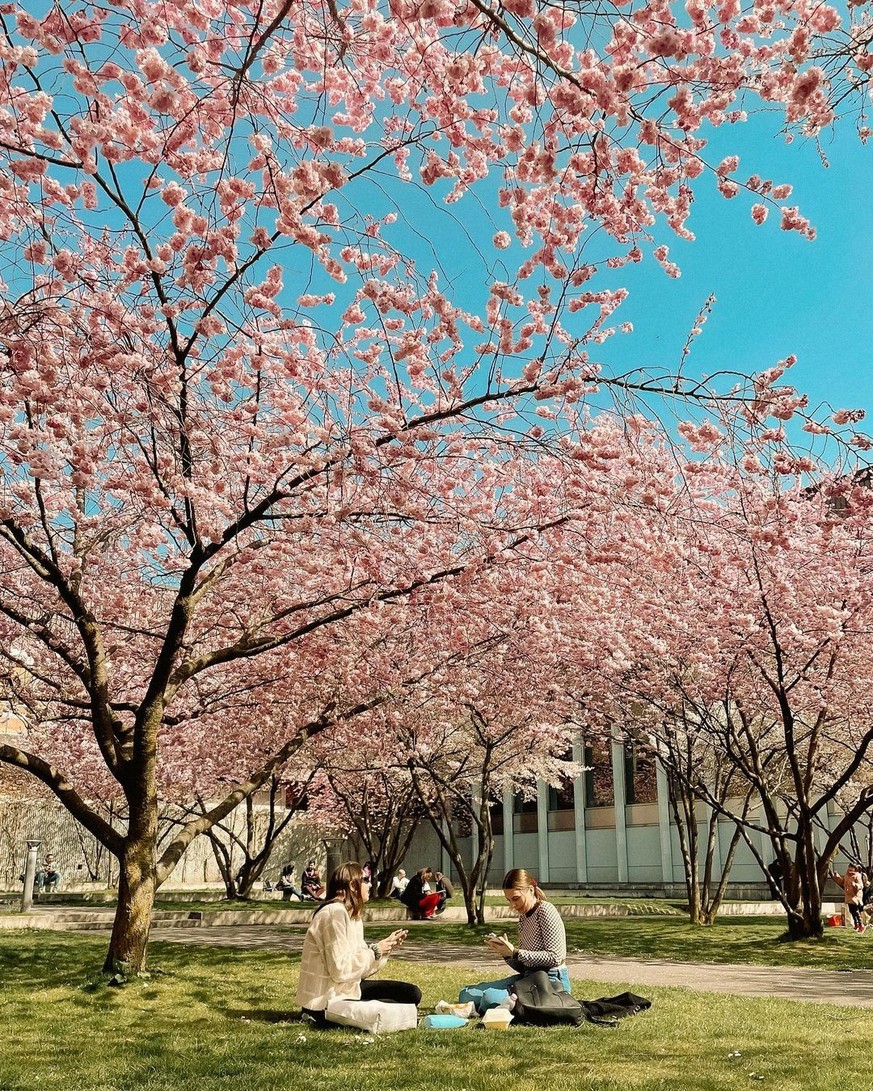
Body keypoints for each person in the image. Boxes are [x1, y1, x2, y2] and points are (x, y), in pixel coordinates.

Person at [296, 861, 421, 1026]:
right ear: (353, 886)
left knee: (411, 994)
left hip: (347, 988)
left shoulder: (352, 916)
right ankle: (318, 1017)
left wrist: (385, 949)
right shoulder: (334, 913)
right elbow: (340, 970)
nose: (370, 885)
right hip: (327, 999)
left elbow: (359, 970)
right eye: (366, 880)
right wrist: (375, 951)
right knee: (393, 1007)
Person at [459, 868, 570, 1010]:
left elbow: (554, 957)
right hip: (528, 977)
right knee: (466, 994)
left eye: (516, 898)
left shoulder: (546, 910)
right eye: (509, 900)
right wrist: (506, 953)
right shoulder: (523, 917)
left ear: (530, 890)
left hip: (550, 980)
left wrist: (516, 953)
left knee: (489, 998)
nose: (513, 905)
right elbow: (524, 966)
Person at [830, 863, 867, 932]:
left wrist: (855, 885)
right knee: (852, 911)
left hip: (855, 897)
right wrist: (837, 876)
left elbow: (861, 885)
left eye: (852, 867)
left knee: (855, 911)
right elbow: (841, 882)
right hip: (849, 896)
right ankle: (856, 925)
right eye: (849, 867)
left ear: (855, 868)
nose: (850, 869)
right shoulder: (847, 876)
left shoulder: (857, 876)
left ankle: (860, 925)